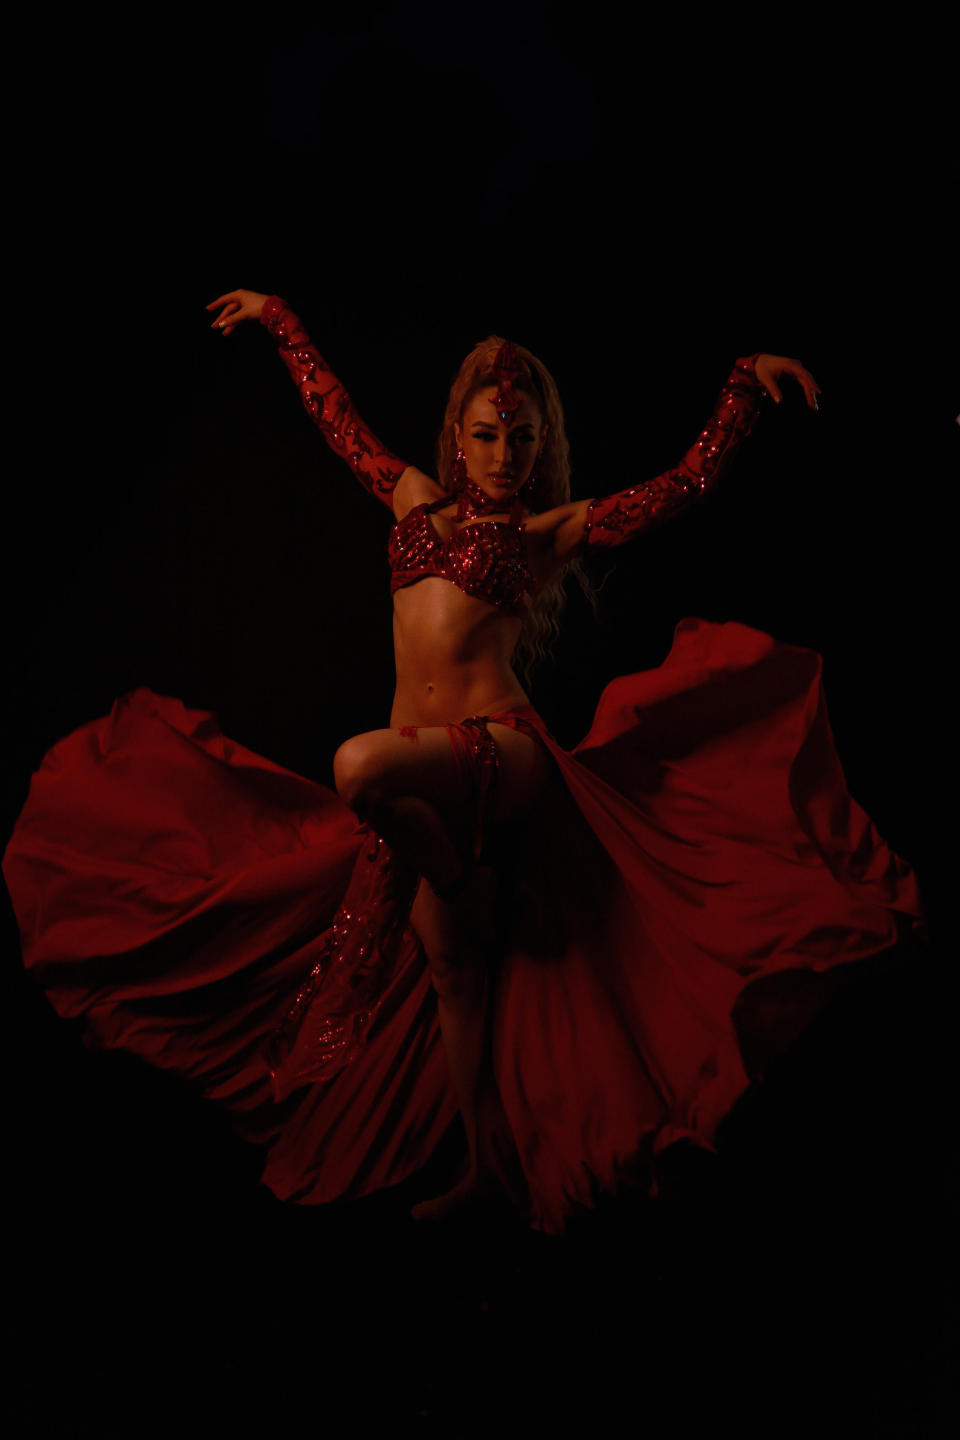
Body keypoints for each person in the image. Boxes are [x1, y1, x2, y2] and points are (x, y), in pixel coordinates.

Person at [2, 289, 926, 1236]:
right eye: (486, 435)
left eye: (521, 440)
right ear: (458, 434)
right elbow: (334, 416)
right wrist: (279, 319)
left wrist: (742, 386)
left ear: (539, 444)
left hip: (505, 747)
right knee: (454, 973)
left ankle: (458, 880)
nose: (502, 455)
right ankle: (486, 1168)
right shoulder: (409, 495)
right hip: (427, 780)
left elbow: (684, 484)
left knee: (357, 767)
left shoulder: (547, 533)